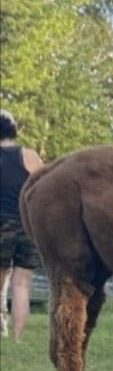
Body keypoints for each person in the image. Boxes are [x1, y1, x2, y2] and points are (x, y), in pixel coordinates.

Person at [0, 109, 45, 341]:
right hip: (27, 226)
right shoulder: (29, 156)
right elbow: (46, 188)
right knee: (21, 286)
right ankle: (17, 338)